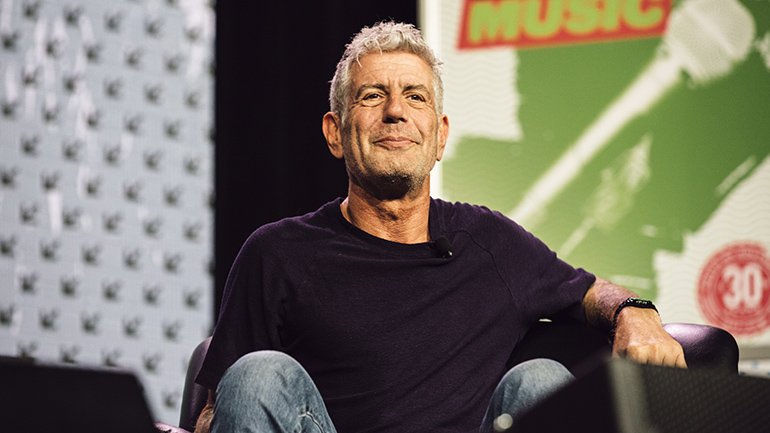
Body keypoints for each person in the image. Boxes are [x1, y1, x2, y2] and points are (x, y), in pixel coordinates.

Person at [193, 21, 686, 433]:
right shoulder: (278, 253)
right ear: (335, 132)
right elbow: (221, 411)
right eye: (372, 96)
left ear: (440, 136)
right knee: (258, 375)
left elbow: (590, 292)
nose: (395, 112)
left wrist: (636, 312)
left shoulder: (490, 242)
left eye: (415, 97)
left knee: (542, 381)